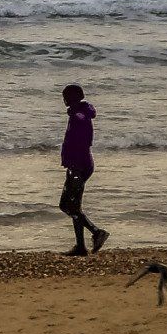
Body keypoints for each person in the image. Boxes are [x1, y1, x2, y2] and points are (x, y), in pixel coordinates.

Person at [58, 83, 108, 256]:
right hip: (77, 164)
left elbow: (83, 119)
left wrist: (76, 114)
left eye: (66, 96)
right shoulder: (78, 113)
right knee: (71, 206)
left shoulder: (80, 114)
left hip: (79, 165)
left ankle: (96, 232)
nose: (63, 99)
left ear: (75, 97)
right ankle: (80, 245)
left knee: (69, 206)